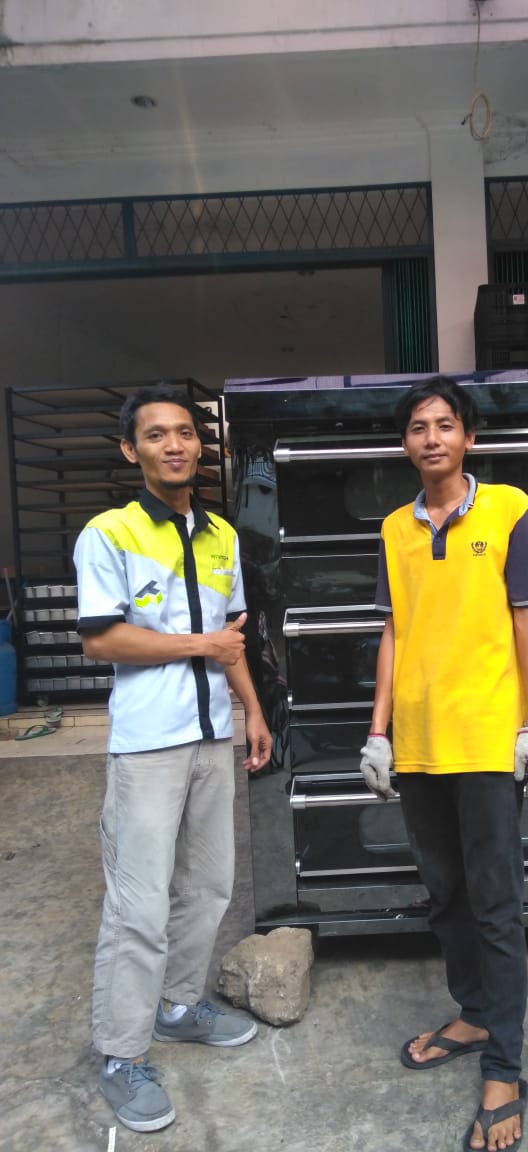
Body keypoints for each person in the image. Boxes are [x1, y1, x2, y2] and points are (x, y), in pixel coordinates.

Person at [360, 376, 528, 1151]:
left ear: (468, 437)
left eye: (445, 424)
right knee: (445, 895)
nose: (432, 437)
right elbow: (394, 631)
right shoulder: (394, 528)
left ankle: (505, 1067)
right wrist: (379, 732)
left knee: (495, 903)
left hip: (485, 741)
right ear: (404, 443)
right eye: (418, 427)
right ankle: (475, 1014)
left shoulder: (509, 509)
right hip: (418, 745)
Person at [74, 383, 272, 1132]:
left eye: (185, 432)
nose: (175, 445)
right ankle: (121, 1054)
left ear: (200, 445)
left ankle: (181, 1006)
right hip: (148, 747)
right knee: (139, 907)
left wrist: (252, 711)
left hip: (212, 735)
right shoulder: (109, 534)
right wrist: (201, 645)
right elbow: (101, 639)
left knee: (210, 885)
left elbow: (231, 640)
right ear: (132, 450)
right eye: (156, 435)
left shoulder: (220, 536)